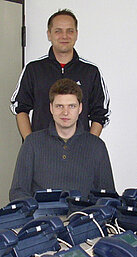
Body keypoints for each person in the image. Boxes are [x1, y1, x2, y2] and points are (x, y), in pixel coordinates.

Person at [10, 9, 110, 140]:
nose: (64, 36)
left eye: (70, 31)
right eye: (58, 31)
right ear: (49, 34)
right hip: (42, 152)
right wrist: (31, 143)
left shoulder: (91, 72)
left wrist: (88, 146)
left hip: (78, 153)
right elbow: (20, 108)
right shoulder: (33, 69)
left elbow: (100, 113)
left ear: (76, 34)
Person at [9, 78, 115, 201]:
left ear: (80, 108)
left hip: (84, 217)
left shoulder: (97, 146)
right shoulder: (32, 143)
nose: (65, 112)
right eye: (59, 106)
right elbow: (18, 192)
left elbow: (108, 195)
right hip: (42, 218)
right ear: (51, 108)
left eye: (72, 106)